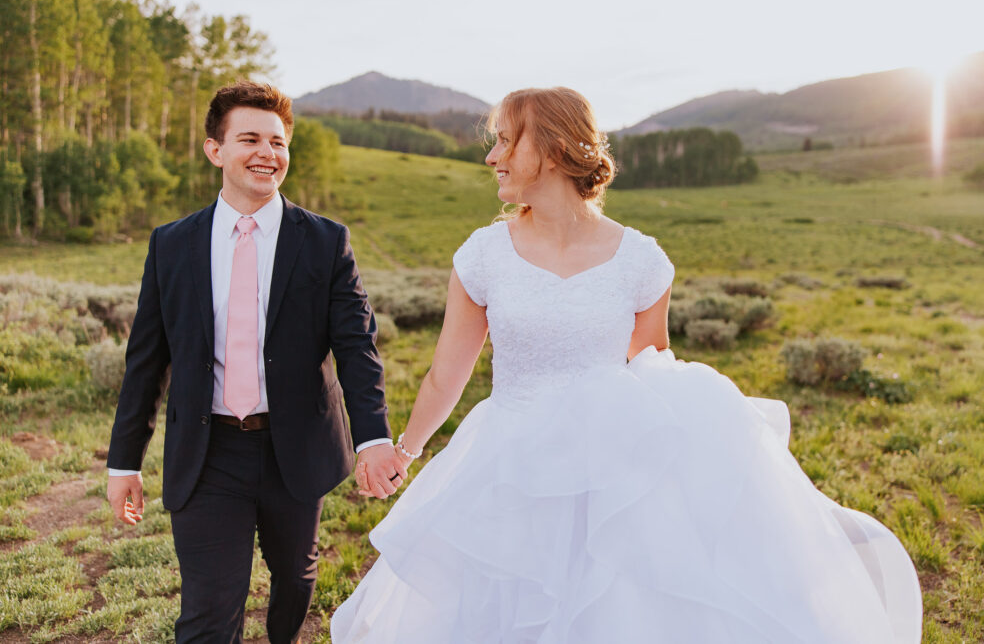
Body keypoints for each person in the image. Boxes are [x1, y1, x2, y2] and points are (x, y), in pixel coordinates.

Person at [331, 87, 923, 643]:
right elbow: (445, 375)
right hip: (509, 466)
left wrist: (710, 431)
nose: (492, 157)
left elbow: (650, 368)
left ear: (558, 150)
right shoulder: (483, 254)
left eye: (508, 141)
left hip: (612, 471)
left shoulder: (639, 260)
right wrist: (403, 451)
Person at [106, 81, 406, 643]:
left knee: (295, 581)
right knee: (208, 611)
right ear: (214, 150)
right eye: (250, 138)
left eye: (278, 141)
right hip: (207, 452)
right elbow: (146, 361)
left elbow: (357, 349)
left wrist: (373, 439)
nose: (268, 153)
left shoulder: (325, 242)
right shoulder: (171, 244)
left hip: (296, 448)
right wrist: (124, 462)